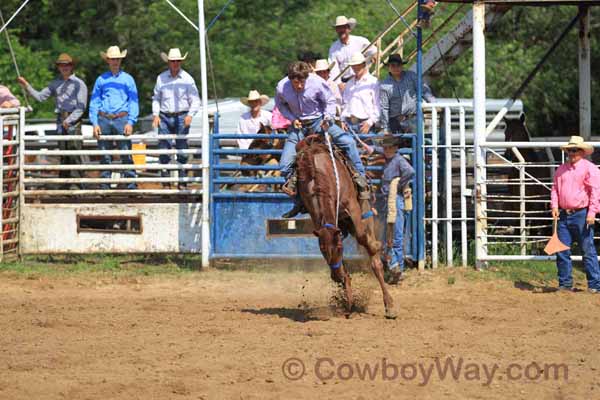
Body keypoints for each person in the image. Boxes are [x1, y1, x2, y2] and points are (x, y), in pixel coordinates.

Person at [276, 61, 369, 218]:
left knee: (349, 142)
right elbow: (281, 105)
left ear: (307, 77)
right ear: (290, 78)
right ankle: (300, 198)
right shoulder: (281, 87)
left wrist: (327, 118)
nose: (299, 85)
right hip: (298, 127)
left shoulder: (317, 83)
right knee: (284, 166)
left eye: (302, 81)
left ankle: (360, 179)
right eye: (295, 82)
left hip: (319, 122)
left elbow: (330, 101)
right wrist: (291, 119)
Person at [18, 53, 88, 188]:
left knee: (74, 154)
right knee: (62, 153)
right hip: (61, 120)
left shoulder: (80, 84)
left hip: (73, 120)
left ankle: (77, 186)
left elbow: (81, 107)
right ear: (59, 67)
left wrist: (69, 120)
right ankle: (65, 186)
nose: (64, 67)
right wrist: (26, 85)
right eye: (62, 65)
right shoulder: (55, 83)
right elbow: (40, 97)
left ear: (71, 66)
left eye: (67, 64)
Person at [550, 136, 600, 293]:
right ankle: (565, 283)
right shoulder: (561, 169)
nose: (572, 153)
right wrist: (554, 205)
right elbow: (555, 190)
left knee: (587, 249)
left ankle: (594, 285)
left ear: (582, 151)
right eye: (570, 150)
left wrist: (592, 213)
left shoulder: (590, 169)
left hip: (582, 213)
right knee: (562, 249)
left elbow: (595, 192)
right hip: (564, 214)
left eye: (575, 150)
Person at [89, 46, 139, 190]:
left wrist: (131, 121)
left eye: (117, 59)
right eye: (112, 59)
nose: (115, 61)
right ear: (108, 61)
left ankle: (130, 184)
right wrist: (94, 122)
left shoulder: (128, 79)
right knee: (105, 153)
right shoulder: (101, 79)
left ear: (120, 60)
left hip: (121, 118)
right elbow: (95, 102)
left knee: (125, 152)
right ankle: (105, 184)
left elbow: (133, 101)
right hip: (104, 117)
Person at [152, 48, 200, 189]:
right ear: (169, 62)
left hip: (182, 115)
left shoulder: (187, 79)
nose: (175, 63)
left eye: (177, 61)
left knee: (182, 148)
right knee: (164, 148)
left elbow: (195, 100)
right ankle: (166, 181)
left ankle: (182, 181)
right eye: (173, 61)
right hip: (164, 115)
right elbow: (156, 98)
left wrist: (190, 114)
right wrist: (156, 114)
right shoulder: (161, 78)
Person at [374, 135, 415, 284]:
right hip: (390, 201)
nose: (385, 150)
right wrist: (371, 148)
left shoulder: (397, 160)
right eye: (384, 147)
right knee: (390, 236)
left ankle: (397, 268)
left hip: (395, 200)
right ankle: (396, 268)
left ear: (394, 148)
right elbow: (377, 150)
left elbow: (410, 172)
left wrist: (398, 184)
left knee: (395, 236)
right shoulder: (391, 158)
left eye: (387, 147)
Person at [379, 53, 435, 134]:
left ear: (402, 66)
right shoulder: (384, 85)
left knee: (417, 143)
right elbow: (384, 107)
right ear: (389, 67)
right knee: (397, 145)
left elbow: (423, 90)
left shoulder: (411, 76)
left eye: (398, 65)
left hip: (413, 118)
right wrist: (385, 128)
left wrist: (432, 102)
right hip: (395, 121)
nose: (396, 68)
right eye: (393, 65)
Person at [328, 16, 377, 86]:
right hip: (346, 82)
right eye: (339, 28)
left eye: (344, 27)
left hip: (363, 78)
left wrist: (374, 56)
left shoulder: (360, 41)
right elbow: (333, 68)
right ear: (336, 30)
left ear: (349, 29)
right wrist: (339, 84)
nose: (341, 30)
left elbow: (375, 51)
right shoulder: (333, 48)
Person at [340, 53, 379, 137]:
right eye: (353, 65)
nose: (355, 67)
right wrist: (342, 120)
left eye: (358, 65)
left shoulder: (373, 82)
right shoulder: (349, 83)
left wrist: (370, 122)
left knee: (368, 149)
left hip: (365, 123)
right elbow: (345, 103)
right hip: (349, 123)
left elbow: (378, 105)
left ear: (364, 64)